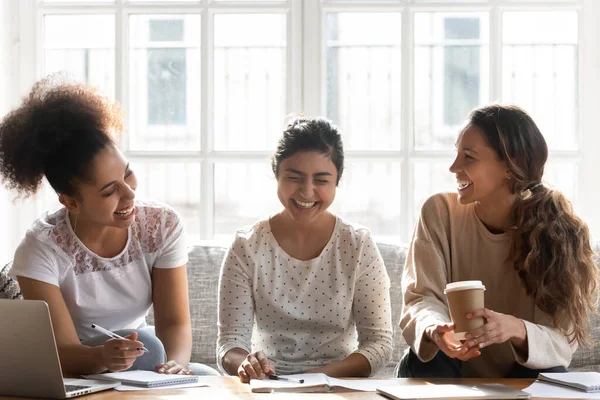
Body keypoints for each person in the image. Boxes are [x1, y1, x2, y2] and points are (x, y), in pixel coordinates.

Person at [0, 74, 219, 376]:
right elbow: (61, 353)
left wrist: (174, 369)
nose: (130, 194)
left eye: (128, 175)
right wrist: (102, 359)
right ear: (71, 202)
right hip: (81, 370)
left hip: (144, 360)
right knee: (147, 346)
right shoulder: (40, 249)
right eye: (109, 190)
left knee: (205, 375)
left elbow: (174, 323)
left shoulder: (162, 225)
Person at [398, 104, 598, 378]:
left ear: (509, 165)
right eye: (456, 154)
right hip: (448, 368)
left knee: (548, 372)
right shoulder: (439, 213)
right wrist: (435, 328)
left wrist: (514, 328)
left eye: (468, 157)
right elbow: (422, 298)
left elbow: (563, 343)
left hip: (518, 375)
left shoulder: (560, 233)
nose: (453, 167)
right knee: (425, 358)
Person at [216, 116, 393, 382]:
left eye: (321, 180)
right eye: (294, 177)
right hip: (268, 384)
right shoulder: (247, 246)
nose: (306, 192)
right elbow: (229, 344)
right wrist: (247, 365)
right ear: (276, 174)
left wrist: (313, 378)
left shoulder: (357, 246)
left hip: (337, 383)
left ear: (337, 181)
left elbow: (379, 345)